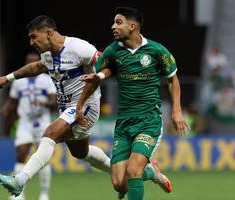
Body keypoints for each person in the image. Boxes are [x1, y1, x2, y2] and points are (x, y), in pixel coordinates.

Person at [0, 15, 111, 197]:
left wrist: (99, 76)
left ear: (48, 33)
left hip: (84, 106)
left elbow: (108, 64)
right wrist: (8, 78)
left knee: (50, 134)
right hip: (67, 109)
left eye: (33, 36)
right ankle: (121, 171)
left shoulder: (80, 48)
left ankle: (19, 180)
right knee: (81, 152)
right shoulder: (47, 54)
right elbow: (35, 68)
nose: (31, 42)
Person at [75, 7, 189, 200]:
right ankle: (152, 173)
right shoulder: (113, 51)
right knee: (120, 184)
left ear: (132, 26)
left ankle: (144, 170)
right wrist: (80, 104)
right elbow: (98, 75)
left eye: (118, 22)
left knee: (134, 170)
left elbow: (173, 79)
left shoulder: (156, 50)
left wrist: (177, 111)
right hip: (124, 123)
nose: (113, 27)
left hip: (149, 121)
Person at [1, 52, 57, 200]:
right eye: (28, 63)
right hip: (25, 123)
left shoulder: (47, 80)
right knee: (21, 154)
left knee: (43, 159)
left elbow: (54, 102)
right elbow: (12, 101)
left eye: (34, 63)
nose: (31, 66)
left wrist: (44, 102)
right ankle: (19, 194)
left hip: (43, 123)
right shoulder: (18, 82)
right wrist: (6, 108)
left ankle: (44, 193)